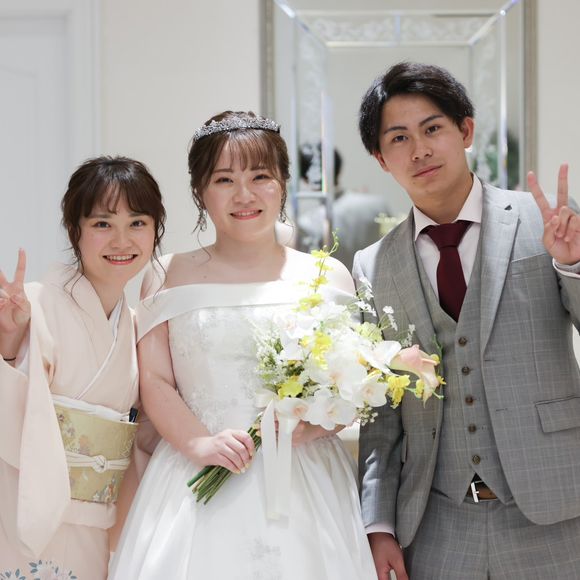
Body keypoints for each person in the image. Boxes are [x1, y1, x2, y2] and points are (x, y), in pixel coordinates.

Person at [109, 111, 378, 579]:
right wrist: (200, 442)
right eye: (224, 180)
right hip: (194, 472)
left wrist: (318, 424)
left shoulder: (327, 275)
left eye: (260, 177)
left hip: (305, 476)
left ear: (283, 183)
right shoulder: (166, 273)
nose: (244, 195)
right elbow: (155, 380)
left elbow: (350, 383)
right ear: (200, 190)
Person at [353, 60, 580, 580]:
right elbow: (380, 416)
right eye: (399, 138)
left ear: (466, 131)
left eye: (432, 128)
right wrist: (378, 524)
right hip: (436, 526)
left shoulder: (543, 222)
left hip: (558, 509)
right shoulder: (373, 266)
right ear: (381, 158)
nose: (420, 149)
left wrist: (573, 266)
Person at [0, 156, 166, 579]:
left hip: (95, 520)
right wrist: (10, 343)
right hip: (25, 506)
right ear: (75, 230)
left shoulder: (133, 325)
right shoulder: (34, 303)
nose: (121, 240)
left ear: (155, 230)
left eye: (137, 223)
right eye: (102, 224)